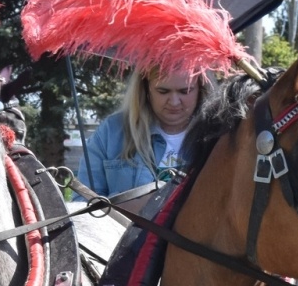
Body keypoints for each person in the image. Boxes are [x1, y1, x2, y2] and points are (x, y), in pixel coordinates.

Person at [77, 69, 207, 197]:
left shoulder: (218, 134)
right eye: (163, 91)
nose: (174, 102)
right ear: (146, 89)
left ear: (201, 89)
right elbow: (84, 200)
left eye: (185, 91)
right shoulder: (112, 131)